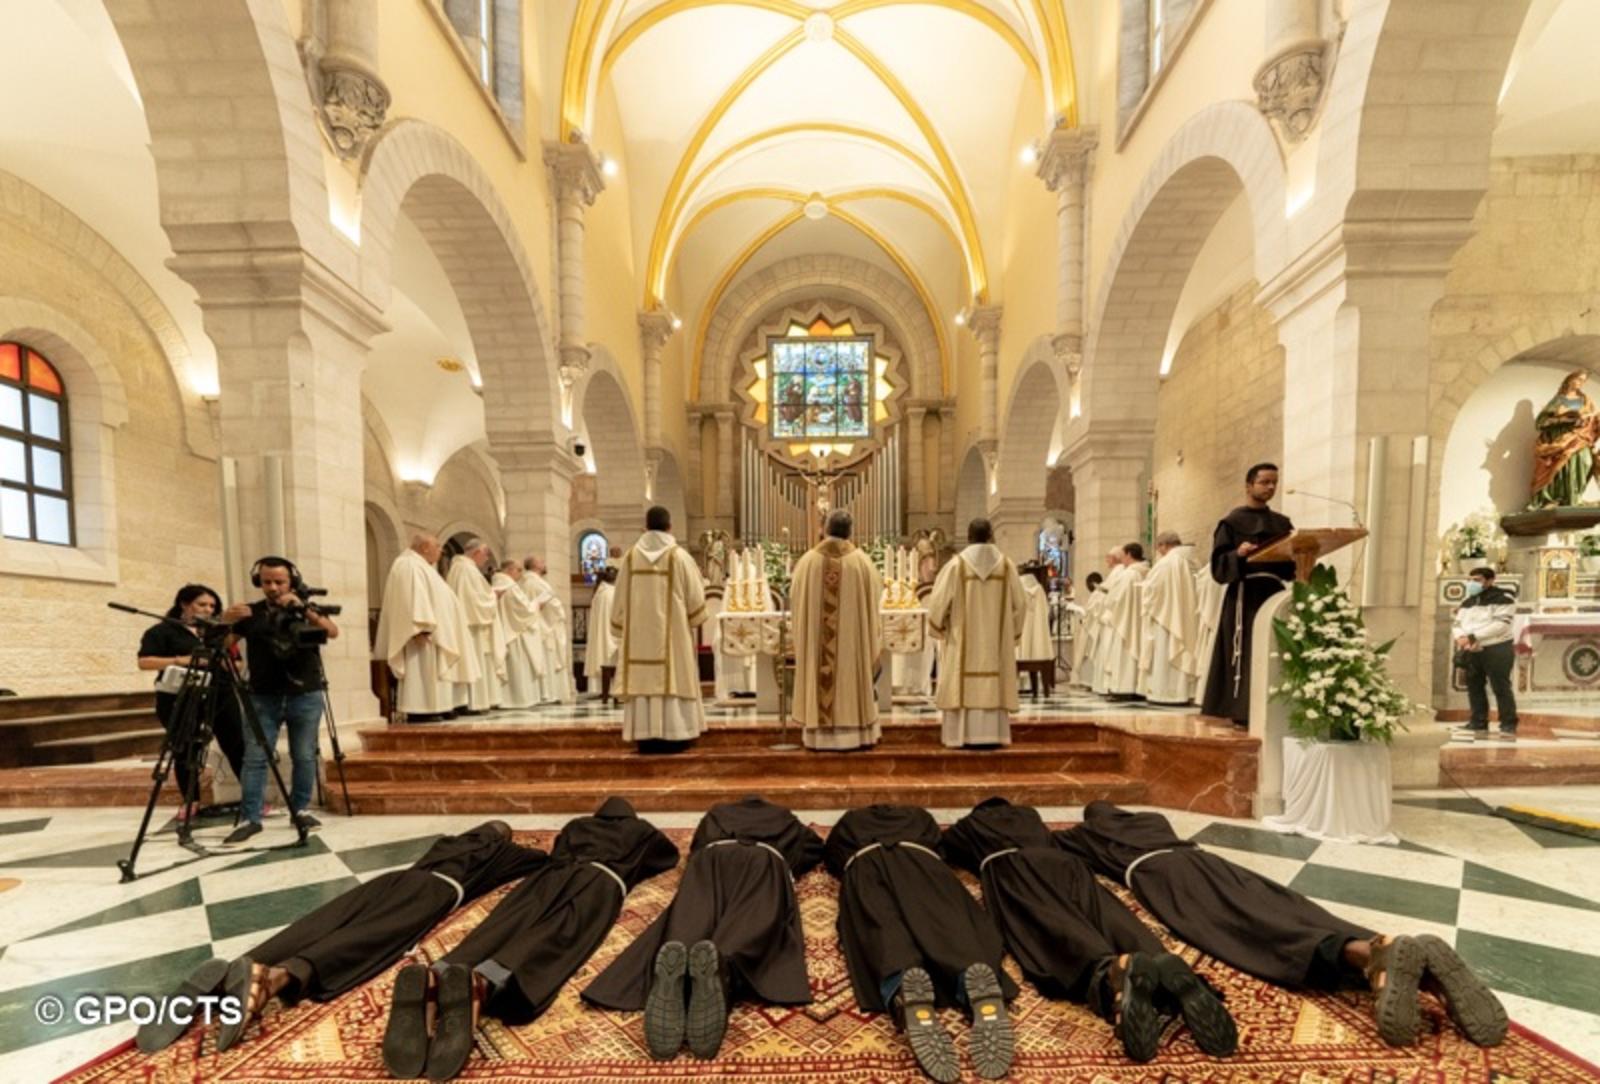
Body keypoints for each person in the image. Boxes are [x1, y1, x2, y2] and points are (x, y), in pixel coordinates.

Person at [1054, 801, 1508, 1049]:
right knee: (1287, 911)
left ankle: (1370, 957)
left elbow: (1052, 856)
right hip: (1212, 863)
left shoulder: (1088, 836)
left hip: (1168, 879)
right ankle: (1399, 960)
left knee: (1245, 932)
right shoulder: (1153, 821)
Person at [137, 820, 544, 1055]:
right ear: (502, 839)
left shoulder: (447, 842)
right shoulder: (500, 853)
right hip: (434, 891)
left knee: (320, 923)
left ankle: (230, 973)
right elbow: (543, 861)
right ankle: (274, 979)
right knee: (366, 939)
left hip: (393, 880)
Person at [384, 797, 679, 1081]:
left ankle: (438, 976)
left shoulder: (577, 825)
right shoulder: (642, 831)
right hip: (597, 882)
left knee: (502, 925)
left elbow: (556, 851)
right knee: (558, 931)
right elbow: (667, 857)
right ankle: (482, 983)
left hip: (546, 879)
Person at [942, 798, 1236, 1062]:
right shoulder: (1030, 815)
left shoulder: (970, 826)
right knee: (1109, 917)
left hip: (1015, 868)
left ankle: (1109, 973)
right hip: (1067, 865)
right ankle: (1164, 966)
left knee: (1053, 927)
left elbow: (947, 847)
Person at [582, 796, 824, 1060]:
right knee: (754, 920)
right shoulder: (784, 818)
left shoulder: (716, 813)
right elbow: (812, 848)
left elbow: (696, 846)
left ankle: (680, 969)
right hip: (762, 860)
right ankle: (722, 967)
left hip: (710, 860)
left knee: (691, 917)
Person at [825, 803, 1016, 1082]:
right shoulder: (919, 816)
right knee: (948, 923)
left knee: (882, 928)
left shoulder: (850, 821)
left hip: (866, 867)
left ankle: (903, 987)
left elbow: (832, 855)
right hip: (924, 865)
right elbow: (942, 846)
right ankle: (969, 977)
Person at [220, 557, 339, 844]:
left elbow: (332, 632)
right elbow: (223, 645)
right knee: (255, 757)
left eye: (279, 582)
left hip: (306, 694)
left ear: (291, 582)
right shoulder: (251, 613)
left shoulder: (305, 609)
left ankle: (300, 810)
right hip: (263, 696)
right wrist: (225, 621)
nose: (273, 587)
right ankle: (251, 818)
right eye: (266, 582)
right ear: (258, 582)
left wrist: (304, 609)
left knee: (304, 755)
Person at [136, 584, 245, 822]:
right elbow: (145, 662)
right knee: (185, 748)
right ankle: (190, 800)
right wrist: (183, 660)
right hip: (180, 695)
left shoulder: (219, 632)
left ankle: (252, 797)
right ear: (184, 605)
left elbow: (238, 662)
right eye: (202, 604)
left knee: (236, 743)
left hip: (220, 693)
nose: (208, 610)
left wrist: (224, 662)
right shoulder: (162, 631)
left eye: (212, 606)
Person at [1201, 463, 1295, 725]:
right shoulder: (1231, 523)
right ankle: (1241, 710)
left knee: (1274, 649)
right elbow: (1219, 567)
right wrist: (1238, 554)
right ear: (1248, 485)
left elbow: (1292, 562)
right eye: (1264, 482)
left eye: (1274, 482)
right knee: (1245, 650)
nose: (1270, 487)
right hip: (1245, 594)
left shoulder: (1282, 523)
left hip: (1274, 592)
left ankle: (1274, 707)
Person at [612, 506, 709, 751]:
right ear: (669, 527)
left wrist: (620, 625)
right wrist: (692, 617)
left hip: (639, 639)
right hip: (674, 638)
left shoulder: (630, 558)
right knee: (674, 676)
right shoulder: (680, 557)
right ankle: (676, 733)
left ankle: (645, 736)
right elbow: (696, 602)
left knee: (643, 682)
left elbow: (619, 599)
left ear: (645, 526)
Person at [926, 518, 1027, 748]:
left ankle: (961, 736)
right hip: (996, 647)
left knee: (960, 683)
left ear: (969, 537)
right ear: (991, 536)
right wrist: (1011, 634)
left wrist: (939, 627)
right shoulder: (1006, 566)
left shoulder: (956, 566)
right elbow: (1021, 605)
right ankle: (993, 735)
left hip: (962, 642)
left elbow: (938, 602)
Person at [791, 511, 884, 751]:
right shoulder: (862, 563)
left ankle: (819, 737)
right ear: (850, 531)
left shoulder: (807, 562)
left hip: (817, 647)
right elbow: (875, 602)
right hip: (852, 648)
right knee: (851, 674)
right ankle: (854, 734)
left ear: (825, 530)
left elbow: (796, 603)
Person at [373, 534, 461, 722]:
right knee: (421, 670)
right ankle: (420, 710)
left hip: (433, 631)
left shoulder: (421, 565)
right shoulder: (408, 564)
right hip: (420, 632)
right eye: (438, 546)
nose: (441, 550)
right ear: (425, 547)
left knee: (432, 670)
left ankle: (439, 706)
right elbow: (410, 598)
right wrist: (419, 628)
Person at [1451, 566, 1519, 741]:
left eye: (1477, 580)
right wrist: (1460, 637)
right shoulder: (1468, 601)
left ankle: (1508, 723)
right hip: (1472, 649)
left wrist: (1472, 637)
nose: (1472, 583)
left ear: (1490, 580)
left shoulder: (1504, 598)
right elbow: (1457, 623)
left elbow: (1501, 625)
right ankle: (1478, 721)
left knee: (1500, 687)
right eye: (1470, 580)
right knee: (1474, 686)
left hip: (1497, 648)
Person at [1137, 531, 1202, 706]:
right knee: (1184, 648)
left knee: (1165, 653)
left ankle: (1165, 694)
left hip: (1165, 617)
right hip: (1186, 616)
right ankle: (1183, 692)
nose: (1159, 551)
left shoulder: (1166, 563)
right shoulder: (1193, 561)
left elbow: (1154, 589)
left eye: (1159, 547)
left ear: (1164, 545)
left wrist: (1144, 590)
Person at [445, 539, 505, 713]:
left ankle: (466, 702)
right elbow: (473, 600)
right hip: (471, 625)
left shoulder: (458, 567)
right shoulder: (466, 569)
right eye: (486, 555)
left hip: (466, 623)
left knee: (467, 663)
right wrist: (494, 596)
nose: (486, 559)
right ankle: (471, 703)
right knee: (472, 661)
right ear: (477, 553)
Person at [1529, 369, 1599, 508]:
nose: (1580, 383)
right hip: (1560, 438)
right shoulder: (1559, 400)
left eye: (1583, 381)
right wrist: (1566, 420)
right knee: (1563, 466)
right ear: (1569, 379)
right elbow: (1541, 423)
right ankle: (1559, 497)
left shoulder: (1585, 400)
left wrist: (1593, 419)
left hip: (1580, 438)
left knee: (1585, 462)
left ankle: (1575, 497)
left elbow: (1593, 419)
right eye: (1578, 379)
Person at [1096, 543, 1149, 700]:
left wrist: (1106, 600)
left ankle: (1122, 689)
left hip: (1124, 621)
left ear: (1129, 555)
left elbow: (1115, 599)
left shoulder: (1128, 575)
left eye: (1124, 555)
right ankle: (1137, 688)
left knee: (1123, 654)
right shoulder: (1146, 572)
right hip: (1139, 622)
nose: (1122, 559)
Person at [492, 560, 541, 710]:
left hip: (504, 632)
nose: (521, 574)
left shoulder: (496, 583)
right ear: (509, 570)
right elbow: (524, 609)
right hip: (514, 634)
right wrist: (537, 604)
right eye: (519, 570)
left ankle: (504, 699)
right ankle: (516, 700)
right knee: (517, 667)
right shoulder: (509, 586)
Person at [1016, 561, 1054, 696]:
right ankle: (1040, 689)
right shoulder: (1039, 589)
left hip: (1022, 631)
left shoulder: (1018, 588)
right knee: (1038, 648)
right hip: (1038, 636)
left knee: (1019, 653)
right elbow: (1046, 611)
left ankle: (1020, 686)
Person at [583, 565, 619, 703]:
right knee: (612, 662)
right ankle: (613, 690)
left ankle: (603, 692)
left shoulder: (599, 593)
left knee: (603, 659)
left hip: (602, 634)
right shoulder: (612, 593)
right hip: (612, 633)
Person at [1070, 570, 1105, 688]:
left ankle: (1088, 681)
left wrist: (1079, 611)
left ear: (1093, 583)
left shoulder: (1097, 595)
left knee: (1088, 653)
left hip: (1091, 630)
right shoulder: (1100, 594)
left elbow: (1090, 612)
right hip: (1093, 628)